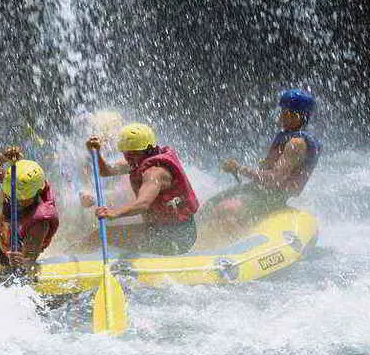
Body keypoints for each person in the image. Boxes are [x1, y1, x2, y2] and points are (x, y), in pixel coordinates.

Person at [203, 89, 321, 234]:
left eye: (285, 112)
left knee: (226, 210)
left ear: (296, 116)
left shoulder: (296, 144)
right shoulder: (288, 137)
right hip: (262, 191)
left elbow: (274, 180)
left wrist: (240, 168)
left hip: (273, 197)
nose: (281, 116)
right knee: (209, 205)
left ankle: (230, 245)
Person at [86, 123, 200, 255]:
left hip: (176, 237)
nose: (128, 158)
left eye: (133, 154)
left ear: (148, 149)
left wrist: (114, 213)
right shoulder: (138, 161)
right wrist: (96, 153)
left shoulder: (154, 173)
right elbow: (106, 171)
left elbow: (143, 204)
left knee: (99, 236)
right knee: (101, 235)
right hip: (160, 229)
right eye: (126, 154)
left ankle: (65, 258)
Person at [0, 147, 60, 271]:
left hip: (3, 255)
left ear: (36, 193)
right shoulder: (13, 183)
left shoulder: (40, 223)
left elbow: (29, 262)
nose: (14, 200)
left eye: (21, 198)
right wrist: (2, 158)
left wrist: (22, 261)